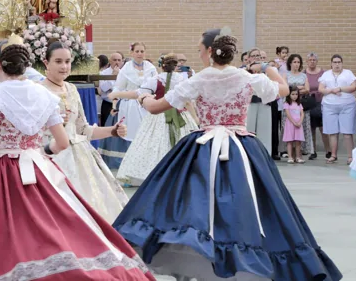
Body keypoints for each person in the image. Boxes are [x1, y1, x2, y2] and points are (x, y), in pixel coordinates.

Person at [0, 35, 154, 281]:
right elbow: (62, 142)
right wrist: (42, 153)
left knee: (1, 236)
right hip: (39, 168)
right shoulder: (44, 96)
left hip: (3, 172)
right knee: (51, 229)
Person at [112, 28, 341, 281]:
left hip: (203, 147)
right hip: (242, 148)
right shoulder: (246, 77)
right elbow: (284, 89)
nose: (199, 55)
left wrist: (142, 97)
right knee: (247, 205)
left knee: (193, 203)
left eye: (200, 50)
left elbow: (155, 107)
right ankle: (242, 256)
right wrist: (267, 67)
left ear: (210, 52)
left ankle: (200, 255)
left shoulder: (198, 79)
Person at [39, 41, 129, 221]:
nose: (64, 66)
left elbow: (83, 129)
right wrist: (47, 123)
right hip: (48, 155)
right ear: (45, 63)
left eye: (67, 61)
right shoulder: (37, 90)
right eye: (58, 61)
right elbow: (27, 129)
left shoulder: (72, 89)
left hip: (79, 154)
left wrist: (112, 131)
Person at [116, 53, 198, 185]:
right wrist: (195, 118)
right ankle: (179, 173)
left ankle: (146, 173)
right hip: (180, 114)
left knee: (151, 143)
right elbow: (188, 101)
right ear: (176, 66)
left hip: (159, 113)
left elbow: (141, 93)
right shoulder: (182, 80)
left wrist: (143, 100)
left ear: (162, 66)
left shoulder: (156, 79)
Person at [106, 42, 157, 161]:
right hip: (129, 105)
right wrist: (114, 104)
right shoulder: (126, 68)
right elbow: (118, 87)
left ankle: (146, 159)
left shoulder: (151, 68)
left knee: (147, 133)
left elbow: (156, 85)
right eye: (137, 51)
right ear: (132, 53)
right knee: (130, 132)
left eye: (142, 51)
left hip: (146, 103)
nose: (139, 54)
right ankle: (128, 160)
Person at [318, 54, 356, 164]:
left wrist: (340, 88)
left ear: (342, 63)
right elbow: (321, 89)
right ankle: (333, 155)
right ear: (331, 64)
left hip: (347, 106)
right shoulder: (326, 74)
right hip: (329, 106)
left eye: (339, 62)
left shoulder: (348, 73)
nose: (337, 64)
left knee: (347, 132)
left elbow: (353, 87)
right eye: (334, 62)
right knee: (332, 132)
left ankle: (350, 156)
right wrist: (332, 90)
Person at [282, 85, 306, 164]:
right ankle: (290, 157)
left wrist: (300, 122)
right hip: (290, 124)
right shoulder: (287, 104)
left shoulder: (299, 104)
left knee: (298, 141)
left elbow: (302, 114)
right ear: (289, 94)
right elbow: (288, 114)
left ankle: (298, 157)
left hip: (298, 125)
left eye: (296, 94)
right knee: (290, 141)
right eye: (292, 94)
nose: (295, 96)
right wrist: (294, 122)